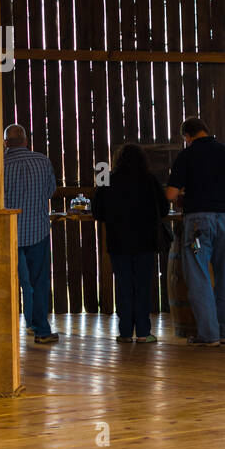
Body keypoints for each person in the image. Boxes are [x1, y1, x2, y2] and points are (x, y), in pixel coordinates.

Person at [165, 117, 225, 346]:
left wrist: (187, 197)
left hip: (198, 228)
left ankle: (209, 335)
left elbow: (170, 195)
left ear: (188, 136)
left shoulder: (186, 155)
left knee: (199, 275)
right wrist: (222, 197)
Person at [92, 143, 169, 343]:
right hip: (145, 242)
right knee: (142, 286)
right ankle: (143, 332)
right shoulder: (149, 180)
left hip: (119, 242)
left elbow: (97, 211)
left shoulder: (108, 179)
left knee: (124, 286)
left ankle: (125, 332)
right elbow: (164, 209)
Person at [3, 123, 59, 343]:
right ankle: (40, 328)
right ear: (26, 141)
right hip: (37, 231)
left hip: (8, 233)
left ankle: (7, 331)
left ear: (6, 142)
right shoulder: (43, 161)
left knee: (10, 282)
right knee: (38, 282)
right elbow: (50, 191)